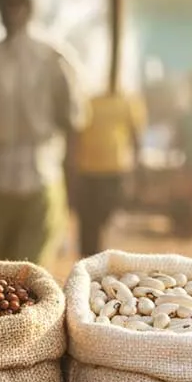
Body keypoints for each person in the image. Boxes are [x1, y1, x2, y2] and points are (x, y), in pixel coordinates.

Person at [0, 0, 87, 265]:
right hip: (21, 179)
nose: (13, 13)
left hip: (11, 179)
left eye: (15, 6)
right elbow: (73, 123)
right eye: (9, 6)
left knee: (4, 278)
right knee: (15, 278)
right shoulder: (52, 58)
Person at [73, 85, 146, 257]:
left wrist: (138, 166)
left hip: (114, 171)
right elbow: (74, 132)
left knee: (108, 218)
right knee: (88, 222)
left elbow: (135, 133)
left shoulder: (127, 100)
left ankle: (106, 258)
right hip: (87, 170)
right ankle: (89, 261)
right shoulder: (85, 98)